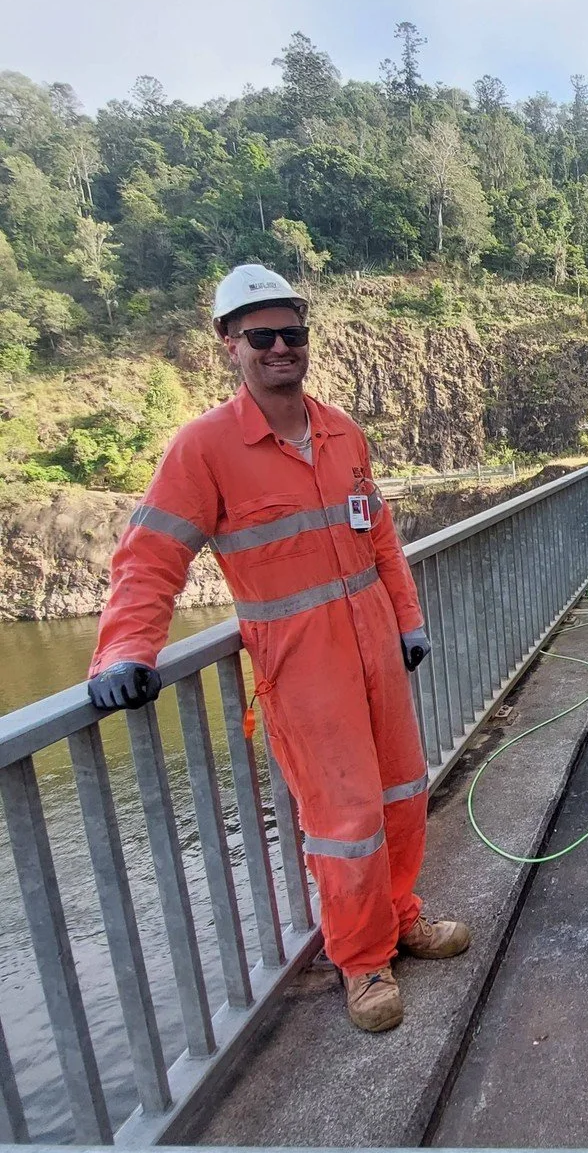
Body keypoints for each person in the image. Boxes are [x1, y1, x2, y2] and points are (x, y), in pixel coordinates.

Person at [86, 263, 470, 1035]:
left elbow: (380, 539)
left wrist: (407, 618)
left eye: (292, 332)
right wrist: (126, 650)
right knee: (344, 820)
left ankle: (401, 917)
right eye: (261, 336)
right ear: (228, 344)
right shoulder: (204, 449)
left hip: (376, 652)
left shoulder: (341, 432)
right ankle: (362, 961)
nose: (279, 347)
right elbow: (151, 558)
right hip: (302, 671)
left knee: (402, 792)